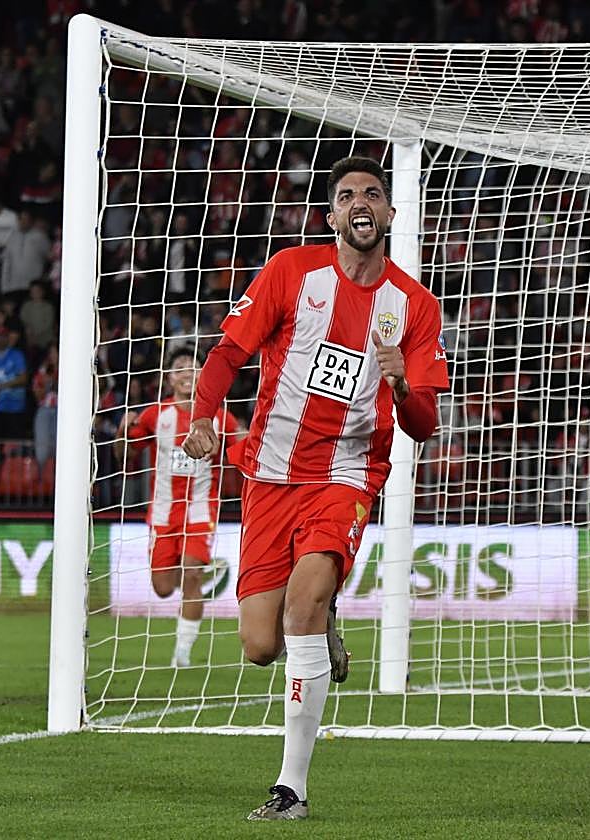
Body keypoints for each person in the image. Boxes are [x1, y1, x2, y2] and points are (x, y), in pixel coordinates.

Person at [183, 157, 449, 820]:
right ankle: (322, 615)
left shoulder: (413, 308)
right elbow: (225, 357)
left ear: (389, 215)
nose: (362, 204)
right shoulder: (291, 272)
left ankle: (291, 789)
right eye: (348, 196)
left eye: (374, 195)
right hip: (269, 473)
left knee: (299, 610)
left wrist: (400, 383)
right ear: (331, 217)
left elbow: (424, 426)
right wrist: (203, 421)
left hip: (347, 474)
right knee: (261, 646)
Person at [115, 349, 241, 667]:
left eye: (193, 367)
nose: (187, 373)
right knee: (162, 588)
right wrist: (120, 430)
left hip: (201, 509)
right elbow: (124, 457)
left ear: (202, 375)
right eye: (180, 368)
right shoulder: (156, 415)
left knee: (192, 575)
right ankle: (183, 616)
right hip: (162, 513)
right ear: (169, 378)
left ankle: (182, 652)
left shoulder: (219, 417)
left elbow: (242, 446)